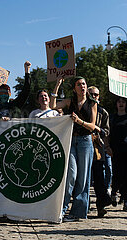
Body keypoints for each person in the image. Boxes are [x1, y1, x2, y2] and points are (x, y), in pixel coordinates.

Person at [50, 76, 97, 221]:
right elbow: (52, 106)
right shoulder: (70, 102)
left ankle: (78, 212)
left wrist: (79, 121)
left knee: (83, 179)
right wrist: (57, 85)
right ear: (74, 88)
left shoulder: (92, 103)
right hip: (71, 140)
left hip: (85, 141)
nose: (82, 86)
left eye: (84, 84)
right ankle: (62, 210)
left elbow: (93, 126)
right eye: (79, 84)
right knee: (71, 175)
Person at [88, 86, 112, 217]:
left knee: (99, 178)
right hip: (84, 146)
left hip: (98, 147)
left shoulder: (103, 112)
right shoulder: (83, 109)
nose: (94, 96)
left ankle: (100, 206)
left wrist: (97, 129)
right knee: (84, 177)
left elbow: (106, 131)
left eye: (96, 94)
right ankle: (84, 205)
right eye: (91, 94)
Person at [109, 97, 127, 210]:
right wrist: (108, 147)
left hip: (126, 149)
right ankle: (114, 192)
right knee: (116, 173)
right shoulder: (112, 118)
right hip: (114, 150)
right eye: (119, 102)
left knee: (126, 175)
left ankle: (125, 199)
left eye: (123, 102)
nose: (121, 104)